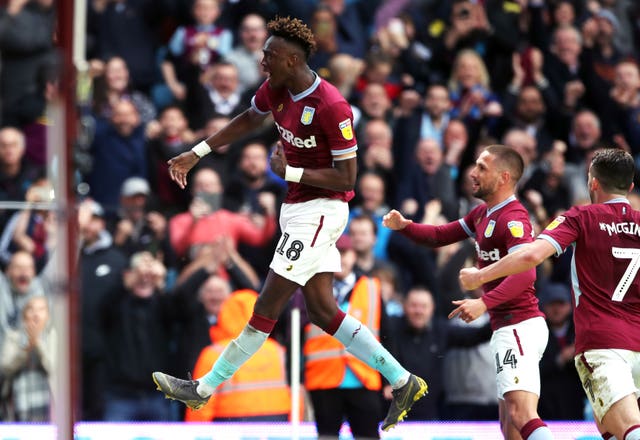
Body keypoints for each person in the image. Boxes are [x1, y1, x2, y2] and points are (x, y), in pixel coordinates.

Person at [152, 16, 427, 432]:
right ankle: (403, 381)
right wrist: (198, 151)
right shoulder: (278, 87)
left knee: (266, 306)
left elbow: (348, 179)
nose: (261, 61)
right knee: (321, 310)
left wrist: (292, 173)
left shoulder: (333, 106)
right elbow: (250, 116)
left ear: (292, 60)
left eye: (269, 55)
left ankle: (203, 388)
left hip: (322, 210)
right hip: (298, 208)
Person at [459, 148, 640, 440]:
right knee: (612, 429)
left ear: (592, 182)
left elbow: (531, 255)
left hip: (604, 343)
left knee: (631, 430)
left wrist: (480, 276)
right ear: (630, 187)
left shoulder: (581, 217)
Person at [383, 145, 553, 440]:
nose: (472, 173)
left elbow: (526, 274)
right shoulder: (482, 213)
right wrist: (405, 226)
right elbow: (439, 235)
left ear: (504, 177)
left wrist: (483, 303)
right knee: (509, 426)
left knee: (521, 414)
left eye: (482, 168)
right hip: (508, 326)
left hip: (518, 325)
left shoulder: (513, 219)